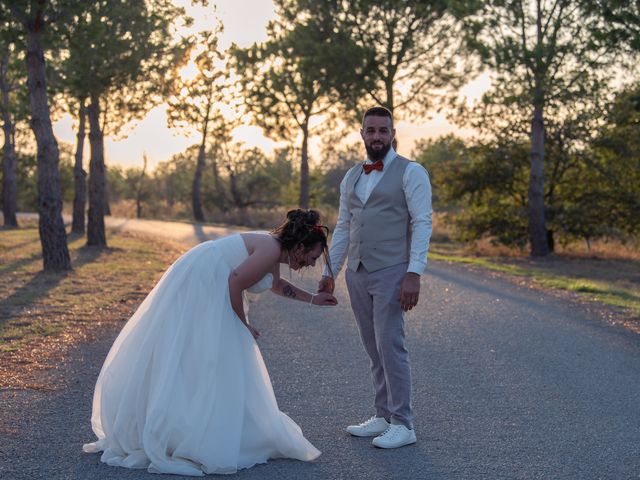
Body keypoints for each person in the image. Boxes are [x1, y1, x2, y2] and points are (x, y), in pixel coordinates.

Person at [83, 209, 337, 476]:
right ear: (299, 247)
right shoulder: (271, 249)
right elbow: (235, 282)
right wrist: (242, 324)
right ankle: (186, 429)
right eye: (313, 256)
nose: (312, 263)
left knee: (213, 354)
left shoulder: (275, 251)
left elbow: (274, 285)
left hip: (213, 281)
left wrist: (313, 299)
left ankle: (200, 424)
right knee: (203, 352)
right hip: (204, 281)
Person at [318, 106, 432, 449]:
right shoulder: (351, 176)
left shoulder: (412, 172)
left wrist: (414, 273)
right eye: (371, 130)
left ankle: (403, 423)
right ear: (363, 133)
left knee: (390, 345)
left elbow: (422, 222)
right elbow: (342, 227)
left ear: (393, 134)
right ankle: (383, 415)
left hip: (392, 271)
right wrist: (329, 271)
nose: (377, 136)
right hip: (357, 273)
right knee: (373, 347)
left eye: (384, 130)